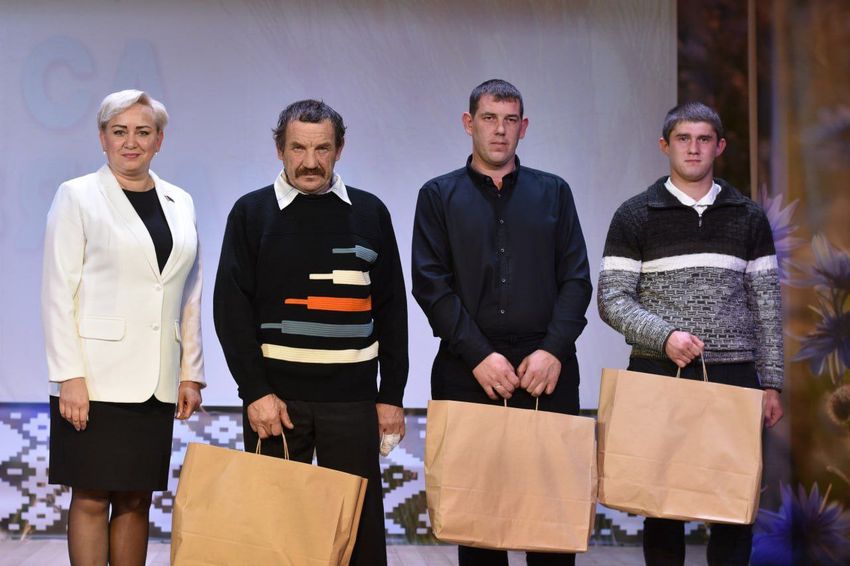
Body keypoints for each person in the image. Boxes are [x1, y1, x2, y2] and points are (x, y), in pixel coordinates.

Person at [213, 99, 408, 566]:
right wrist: (254, 392)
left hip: (353, 399)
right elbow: (230, 309)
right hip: (275, 403)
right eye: (298, 148)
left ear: (339, 149)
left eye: (322, 149)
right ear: (279, 149)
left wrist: (392, 396)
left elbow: (392, 310)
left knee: (358, 533)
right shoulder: (251, 213)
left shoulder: (370, 212)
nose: (310, 162)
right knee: (274, 536)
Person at [412, 79, 592, 566]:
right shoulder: (438, 195)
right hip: (468, 369)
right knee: (478, 527)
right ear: (468, 123)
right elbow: (430, 284)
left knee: (551, 524)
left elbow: (577, 280)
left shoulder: (554, 193)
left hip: (548, 370)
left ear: (523, 127)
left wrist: (553, 349)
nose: (499, 130)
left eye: (510, 120)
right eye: (489, 118)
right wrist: (479, 355)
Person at [597, 101, 784, 566]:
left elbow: (766, 306)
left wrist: (772, 382)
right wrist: (665, 337)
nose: (694, 148)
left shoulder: (749, 216)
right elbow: (611, 299)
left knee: (735, 505)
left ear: (720, 146)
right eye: (683, 139)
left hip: (735, 376)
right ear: (665, 146)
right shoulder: (635, 215)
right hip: (659, 371)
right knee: (661, 504)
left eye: (704, 139)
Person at [42, 89, 204, 565]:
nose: (130, 142)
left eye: (142, 132)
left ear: (159, 140)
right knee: (91, 495)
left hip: (156, 379)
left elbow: (189, 293)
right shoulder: (77, 196)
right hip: (93, 379)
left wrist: (190, 371)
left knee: (136, 498)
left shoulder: (180, 201)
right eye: (119, 131)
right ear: (102, 138)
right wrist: (69, 376)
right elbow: (57, 290)